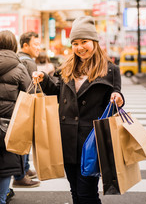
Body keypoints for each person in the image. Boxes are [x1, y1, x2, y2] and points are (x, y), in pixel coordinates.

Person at [32, 16, 124, 204]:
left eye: (84, 42)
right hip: (66, 137)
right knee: (75, 190)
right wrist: (44, 78)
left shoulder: (110, 70)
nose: (80, 47)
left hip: (91, 141)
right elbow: (57, 91)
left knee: (87, 193)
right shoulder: (66, 68)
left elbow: (115, 97)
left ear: (94, 42)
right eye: (75, 43)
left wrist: (119, 99)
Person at [0, 30, 39, 204]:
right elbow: (31, 93)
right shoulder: (19, 67)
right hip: (9, 125)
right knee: (5, 167)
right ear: (14, 46)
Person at [13, 31, 41, 188]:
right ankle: (20, 175)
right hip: (25, 107)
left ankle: (25, 169)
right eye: (35, 45)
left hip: (16, 106)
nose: (38, 48)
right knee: (24, 141)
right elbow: (32, 88)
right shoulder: (29, 63)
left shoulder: (18, 58)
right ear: (25, 45)